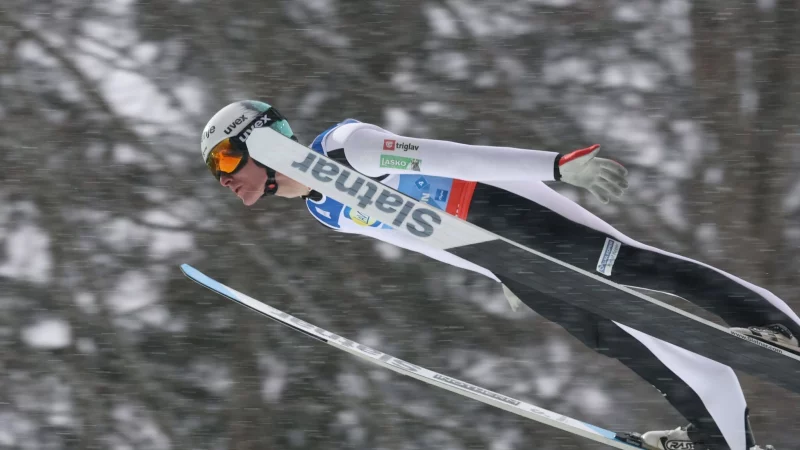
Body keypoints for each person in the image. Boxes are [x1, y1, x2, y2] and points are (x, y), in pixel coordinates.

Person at [200, 100, 794, 450]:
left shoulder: (344, 147)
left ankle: (778, 329)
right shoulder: (324, 210)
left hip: (500, 207)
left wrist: (555, 167)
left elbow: (446, 156)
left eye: (226, 159)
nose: (224, 179)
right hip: (495, 253)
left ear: (261, 139)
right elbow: (419, 235)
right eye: (214, 172)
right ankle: (716, 434)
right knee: (619, 336)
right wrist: (496, 271)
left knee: (635, 268)